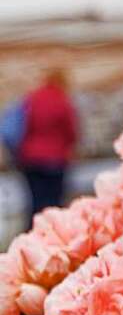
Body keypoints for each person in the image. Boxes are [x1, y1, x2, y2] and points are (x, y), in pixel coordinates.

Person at [17, 70, 78, 226]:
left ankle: (31, 239)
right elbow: (71, 132)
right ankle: (51, 240)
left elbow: (23, 126)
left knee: (35, 203)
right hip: (55, 160)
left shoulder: (32, 99)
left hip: (30, 158)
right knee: (53, 205)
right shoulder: (62, 101)